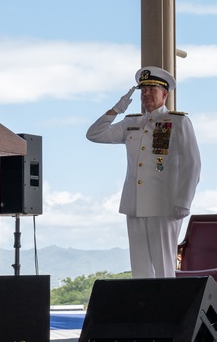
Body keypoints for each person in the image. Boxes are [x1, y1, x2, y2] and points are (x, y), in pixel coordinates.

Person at [86, 66, 201, 279]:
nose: (146, 94)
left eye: (152, 90)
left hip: (165, 206)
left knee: (164, 269)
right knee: (140, 271)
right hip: (135, 205)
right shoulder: (131, 123)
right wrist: (117, 109)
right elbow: (94, 134)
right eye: (143, 90)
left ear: (164, 94)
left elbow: (192, 164)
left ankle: (168, 312)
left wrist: (184, 202)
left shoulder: (178, 122)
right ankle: (145, 312)